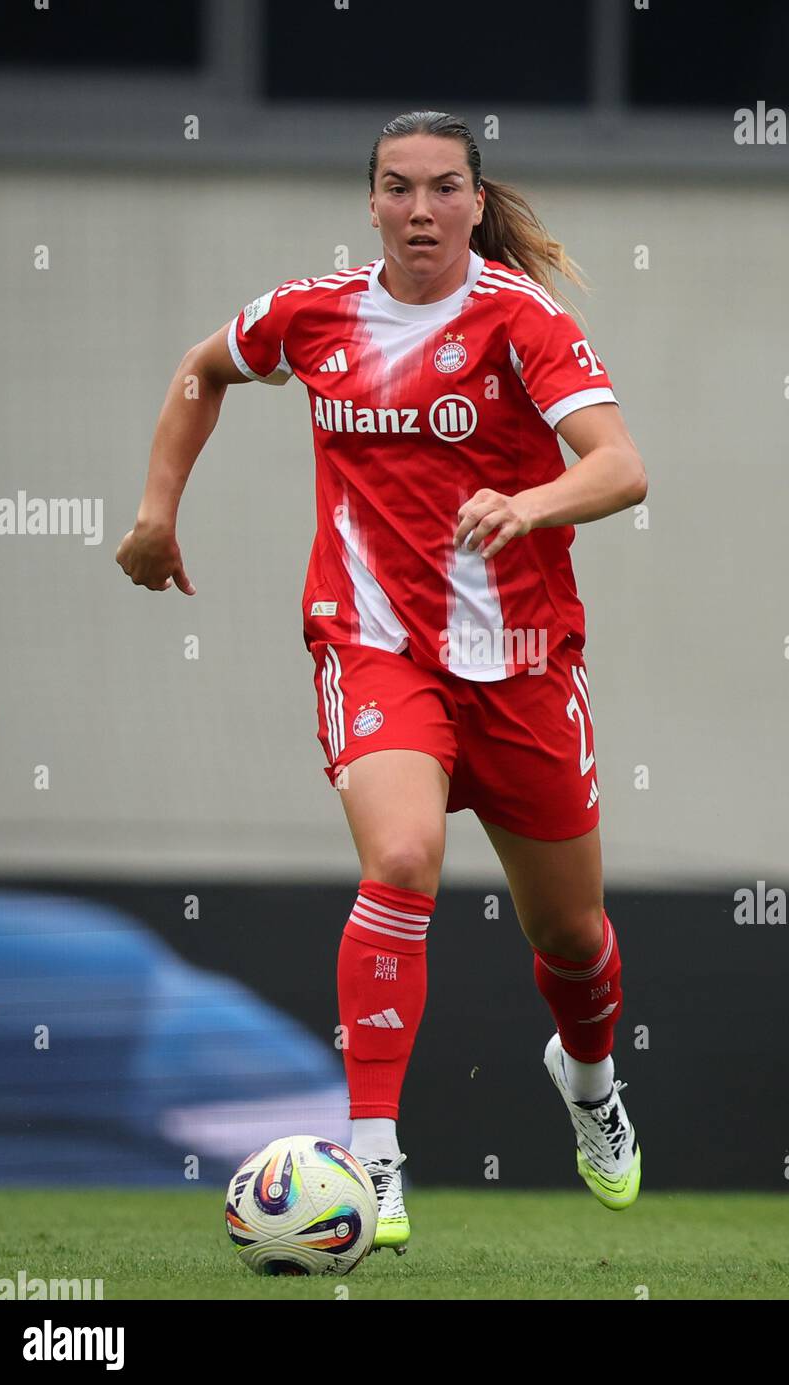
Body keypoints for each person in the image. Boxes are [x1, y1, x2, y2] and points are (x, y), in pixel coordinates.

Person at [117, 109, 648, 1255]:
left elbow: (619, 466)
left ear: (473, 198)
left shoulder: (521, 319)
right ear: (370, 202)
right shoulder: (313, 313)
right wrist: (157, 515)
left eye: (443, 188)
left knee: (569, 936)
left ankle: (589, 1081)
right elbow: (200, 370)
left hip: (519, 663)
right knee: (400, 859)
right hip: (372, 647)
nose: (420, 210)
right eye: (398, 188)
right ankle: (370, 1154)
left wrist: (527, 503)